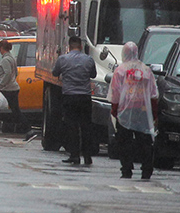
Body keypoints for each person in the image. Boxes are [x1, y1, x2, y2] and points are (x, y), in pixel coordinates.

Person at [109, 41, 158, 179]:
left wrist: (115, 109)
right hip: (143, 110)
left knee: (124, 142)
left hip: (125, 110)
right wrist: (153, 113)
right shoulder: (146, 70)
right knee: (145, 142)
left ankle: (126, 168)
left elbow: (115, 93)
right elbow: (153, 94)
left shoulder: (120, 71)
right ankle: (147, 169)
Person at [53, 35, 98, 165]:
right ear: (81, 46)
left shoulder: (63, 59)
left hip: (69, 97)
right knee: (86, 127)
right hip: (85, 97)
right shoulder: (88, 60)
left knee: (71, 126)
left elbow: (55, 73)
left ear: (69, 46)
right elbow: (93, 74)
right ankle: (87, 156)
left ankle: (74, 155)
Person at [0, 39, 29, 139]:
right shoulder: (12, 58)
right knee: (5, 109)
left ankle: (29, 130)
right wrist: (11, 81)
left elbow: (7, 73)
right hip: (12, 87)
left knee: (0, 109)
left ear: (1, 48)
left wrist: (0, 86)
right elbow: (15, 73)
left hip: (7, 89)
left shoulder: (5, 60)